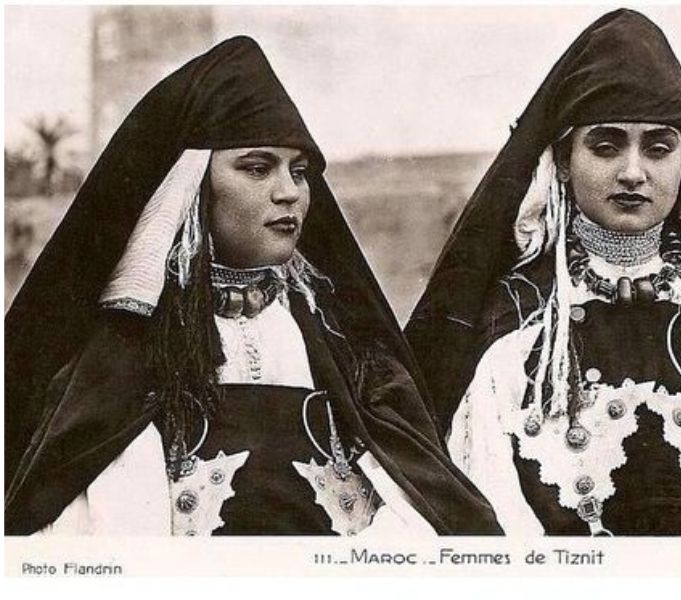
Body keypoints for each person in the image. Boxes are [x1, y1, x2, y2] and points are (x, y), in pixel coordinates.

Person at [4, 37, 501, 536]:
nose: (289, 192)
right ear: (193, 185)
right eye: (258, 168)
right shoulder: (128, 355)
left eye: (300, 172)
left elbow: (428, 505)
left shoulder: (346, 347)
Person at [405, 9, 681, 536]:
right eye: (606, 146)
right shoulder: (512, 342)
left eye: (659, 148)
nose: (633, 172)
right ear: (565, 162)